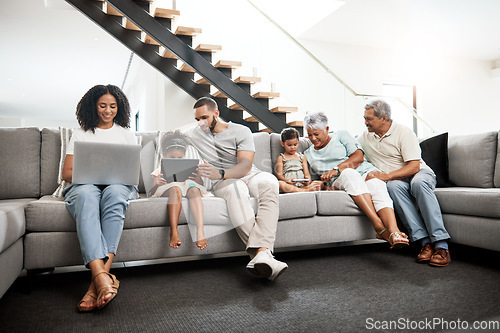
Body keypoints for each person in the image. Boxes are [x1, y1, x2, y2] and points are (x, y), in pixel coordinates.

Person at [186, 97, 288, 281]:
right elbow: (172, 141)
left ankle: (260, 256)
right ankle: (263, 254)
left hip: (247, 174)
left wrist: (221, 172)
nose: (200, 123)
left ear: (216, 114)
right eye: (197, 119)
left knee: (270, 182)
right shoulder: (195, 135)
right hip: (225, 182)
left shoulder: (241, 131)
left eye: (204, 118)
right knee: (236, 189)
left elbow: (245, 166)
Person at [62, 84, 138, 312]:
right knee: (86, 194)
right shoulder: (81, 133)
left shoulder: (126, 134)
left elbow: (132, 174)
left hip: (118, 185)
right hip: (85, 185)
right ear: (93, 106)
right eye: (103, 105)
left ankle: (96, 284)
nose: (108, 110)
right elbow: (66, 173)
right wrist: (91, 174)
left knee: (115, 192)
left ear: (119, 108)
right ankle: (103, 278)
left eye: (113, 106)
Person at [359, 100, 451, 267]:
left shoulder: (404, 132)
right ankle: (424, 242)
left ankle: (441, 245)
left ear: (384, 118)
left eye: (369, 119)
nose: (365, 122)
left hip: (419, 173)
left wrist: (386, 176)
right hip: (396, 180)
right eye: (364, 118)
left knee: (418, 184)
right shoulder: (365, 137)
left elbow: (414, 166)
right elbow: (351, 153)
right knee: (393, 187)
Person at [303, 111, 409, 250]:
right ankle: (378, 224)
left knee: (377, 184)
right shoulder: (308, 154)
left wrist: (336, 169)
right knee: (349, 174)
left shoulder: (341, 135)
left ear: (327, 129)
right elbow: (316, 179)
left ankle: (394, 231)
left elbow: (358, 157)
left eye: (316, 134)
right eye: (309, 134)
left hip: (364, 171)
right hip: (341, 179)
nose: (313, 138)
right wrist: (323, 182)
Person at [149, 130, 208, 250]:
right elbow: (152, 191)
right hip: (170, 188)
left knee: (194, 189)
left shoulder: (190, 167)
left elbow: (201, 185)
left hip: (187, 185)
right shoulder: (159, 169)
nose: (176, 160)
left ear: (184, 156)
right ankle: (174, 231)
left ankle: (200, 231)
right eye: (172, 157)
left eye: (180, 157)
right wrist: (157, 184)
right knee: (176, 189)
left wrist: (198, 180)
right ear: (164, 155)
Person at [276, 128, 322, 193]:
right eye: (289, 145)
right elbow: (279, 175)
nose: (293, 147)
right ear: (282, 143)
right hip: (289, 185)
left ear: (298, 142)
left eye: (295, 144)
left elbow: (307, 174)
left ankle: (303, 189)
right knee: (279, 183)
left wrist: (307, 181)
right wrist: (287, 180)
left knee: (318, 183)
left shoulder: (302, 157)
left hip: (302, 185)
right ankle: (305, 191)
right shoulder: (281, 158)